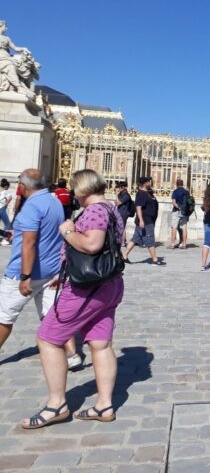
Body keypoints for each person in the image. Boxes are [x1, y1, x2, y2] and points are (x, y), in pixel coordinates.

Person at [22, 168, 126, 429]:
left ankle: (57, 404)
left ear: (81, 189)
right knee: (100, 343)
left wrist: (68, 231)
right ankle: (104, 404)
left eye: (73, 189)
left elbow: (92, 244)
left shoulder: (94, 210)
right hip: (108, 284)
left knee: (47, 339)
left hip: (86, 289)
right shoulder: (112, 209)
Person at [0, 170, 64, 355]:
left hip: (26, 272)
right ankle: (69, 354)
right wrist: (17, 233)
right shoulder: (55, 202)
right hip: (51, 270)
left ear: (23, 186)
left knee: (4, 318)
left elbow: (30, 242)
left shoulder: (32, 206)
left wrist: (25, 276)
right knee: (51, 317)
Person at [122, 177, 163, 266]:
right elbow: (138, 207)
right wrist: (141, 220)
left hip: (148, 220)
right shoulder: (141, 194)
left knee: (135, 239)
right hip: (145, 221)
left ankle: (124, 256)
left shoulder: (148, 193)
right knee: (150, 239)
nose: (150, 182)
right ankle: (155, 259)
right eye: (148, 181)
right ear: (144, 183)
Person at [170, 179, 189, 249]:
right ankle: (184, 244)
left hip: (176, 211)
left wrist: (179, 207)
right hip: (185, 212)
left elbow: (174, 202)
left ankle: (172, 244)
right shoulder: (186, 192)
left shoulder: (175, 192)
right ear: (182, 184)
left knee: (174, 227)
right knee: (184, 228)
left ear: (176, 184)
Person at [114, 181, 133, 246]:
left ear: (123, 187)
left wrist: (116, 196)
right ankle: (123, 240)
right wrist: (117, 196)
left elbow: (118, 203)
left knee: (122, 226)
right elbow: (116, 203)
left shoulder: (126, 195)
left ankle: (122, 241)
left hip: (124, 213)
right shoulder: (121, 194)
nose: (118, 189)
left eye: (120, 187)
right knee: (121, 226)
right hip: (119, 212)